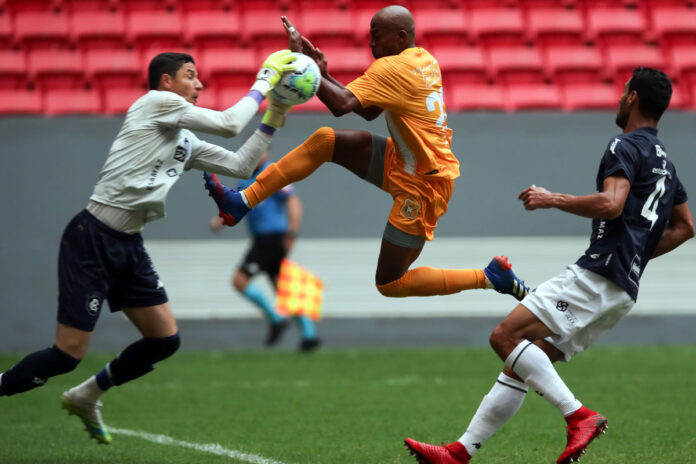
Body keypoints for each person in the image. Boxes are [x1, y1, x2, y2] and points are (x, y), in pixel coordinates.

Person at [0, 50, 298, 444]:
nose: (200, 84)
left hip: (127, 244)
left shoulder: (184, 138)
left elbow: (242, 165)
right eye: (191, 76)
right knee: (67, 354)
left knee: (164, 340)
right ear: (166, 83)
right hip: (91, 238)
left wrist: (276, 112)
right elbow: (228, 124)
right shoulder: (155, 104)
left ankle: (86, 396)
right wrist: (266, 79)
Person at [404, 67, 694, 464]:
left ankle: (579, 416)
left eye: (622, 91)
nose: (618, 97)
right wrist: (636, 255)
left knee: (504, 337)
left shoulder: (624, 146)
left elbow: (612, 204)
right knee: (522, 362)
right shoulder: (667, 163)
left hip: (599, 273)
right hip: (623, 288)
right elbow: (685, 227)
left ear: (632, 98)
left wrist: (551, 198)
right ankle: (459, 452)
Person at [202, 5, 530, 304]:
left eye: (376, 37)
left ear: (400, 37)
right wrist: (323, 73)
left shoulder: (392, 68)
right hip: (406, 162)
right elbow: (369, 112)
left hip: (423, 186)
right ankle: (241, 202)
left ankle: (488, 278)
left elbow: (341, 105)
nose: (371, 44)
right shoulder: (424, 59)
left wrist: (308, 70)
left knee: (390, 283)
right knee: (325, 142)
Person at [210, 151, 321, 352]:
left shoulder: (274, 172)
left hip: (271, 239)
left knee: (239, 281)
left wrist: (291, 234)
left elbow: (293, 202)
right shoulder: (244, 179)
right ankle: (309, 334)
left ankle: (277, 319)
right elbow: (237, 206)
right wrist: (221, 220)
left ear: (266, 153)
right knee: (282, 287)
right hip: (263, 239)